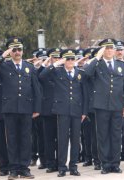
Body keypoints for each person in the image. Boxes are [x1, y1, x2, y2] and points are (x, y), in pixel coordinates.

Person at [0, 37, 41, 179]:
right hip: (9, 109)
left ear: (23, 50)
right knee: (11, 139)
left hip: (26, 108)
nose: (17, 52)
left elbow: (36, 89)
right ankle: (14, 169)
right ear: (9, 51)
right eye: (14, 49)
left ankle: (24, 168)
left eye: (19, 49)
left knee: (25, 139)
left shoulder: (29, 66)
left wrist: (37, 108)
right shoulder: (3, 66)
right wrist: (1, 57)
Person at [39, 49, 88, 177]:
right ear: (63, 60)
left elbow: (85, 94)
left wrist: (84, 111)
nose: (70, 61)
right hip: (62, 111)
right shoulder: (57, 72)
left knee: (75, 140)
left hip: (77, 111)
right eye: (68, 59)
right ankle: (62, 167)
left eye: (72, 59)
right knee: (62, 140)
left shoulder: (80, 73)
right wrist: (55, 63)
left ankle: (73, 166)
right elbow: (42, 76)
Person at [84, 38, 124, 174]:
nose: (109, 50)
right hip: (101, 106)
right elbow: (87, 73)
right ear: (102, 50)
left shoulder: (121, 65)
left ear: (115, 50)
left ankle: (115, 164)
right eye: (106, 48)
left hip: (117, 105)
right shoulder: (97, 64)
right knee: (103, 135)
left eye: (111, 48)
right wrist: (97, 57)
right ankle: (105, 164)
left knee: (116, 135)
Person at [37, 48, 61, 173]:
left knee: (60, 139)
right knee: (49, 139)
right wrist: (47, 64)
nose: (56, 60)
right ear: (50, 58)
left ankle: (60, 163)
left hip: (60, 110)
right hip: (48, 111)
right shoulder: (46, 71)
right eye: (54, 58)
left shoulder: (62, 71)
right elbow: (40, 75)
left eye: (58, 58)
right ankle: (50, 163)